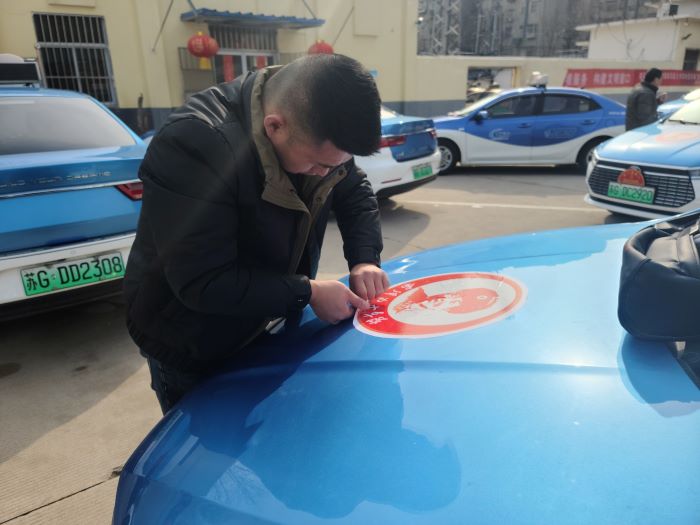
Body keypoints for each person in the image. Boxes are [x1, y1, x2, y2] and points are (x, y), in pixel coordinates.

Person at [124, 54, 390, 413]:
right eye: (319, 165)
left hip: (267, 313)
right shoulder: (193, 145)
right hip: (191, 338)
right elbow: (203, 281)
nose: (325, 173)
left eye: (336, 164)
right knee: (209, 440)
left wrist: (364, 260)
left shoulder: (320, 131)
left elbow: (352, 189)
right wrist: (307, 292)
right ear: (274, 126)